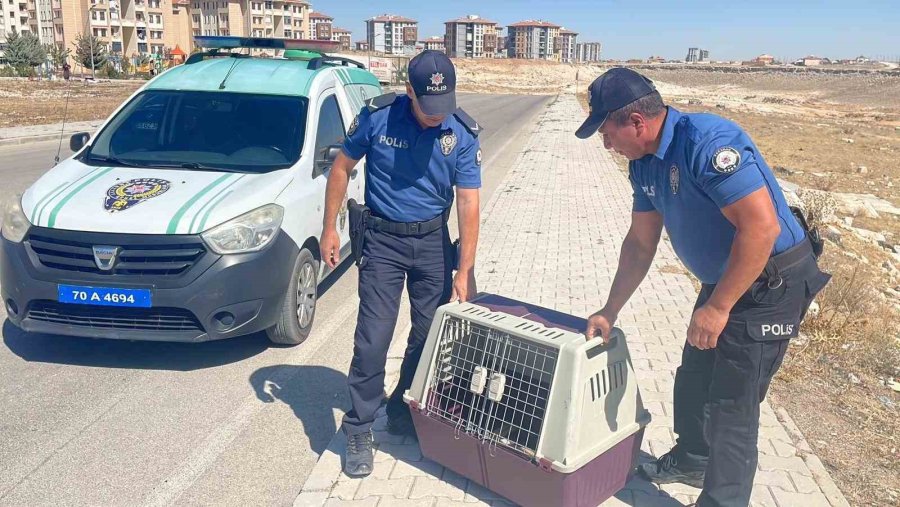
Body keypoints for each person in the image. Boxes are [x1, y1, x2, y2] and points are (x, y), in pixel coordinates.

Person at [575, 68, 830, 507]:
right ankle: (693, 460)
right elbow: (640, 243)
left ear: (636, 122)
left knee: (733, 403)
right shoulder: (644, 164)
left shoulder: (708, 144)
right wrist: (610, 309)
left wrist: (718, 307)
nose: (606, 145)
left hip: (770, 282)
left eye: (607, 133)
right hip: (726, 278)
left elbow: (761, 229)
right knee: (695, 376)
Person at [319, 50, 482, 477]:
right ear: (409, 90)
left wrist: (465, 270)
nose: (437, 115)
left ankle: (400, 409)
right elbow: (341, 168)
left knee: (428, 337)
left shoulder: (461, 132)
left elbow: (468, 201)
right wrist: (330, 228)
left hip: (432, 244)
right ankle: (359, 426)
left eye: (443, 105)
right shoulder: (379, 118)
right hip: (383, 242)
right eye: (429, 106)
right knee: (374, 338)